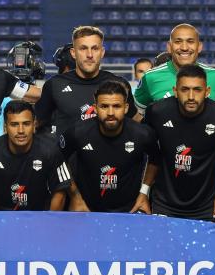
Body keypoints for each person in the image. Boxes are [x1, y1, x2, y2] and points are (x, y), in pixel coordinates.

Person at [136, 65, 215, 222]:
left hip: (206, 205)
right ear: (175, 91)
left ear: (207, 91)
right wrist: (143, 192)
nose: (191, 96)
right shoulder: (156, 112)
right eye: (185, 89)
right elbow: (152, 156)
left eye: (197, 90)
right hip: (164, 203)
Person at [59, 80, 156, 212]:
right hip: (86, 209)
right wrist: (75, 196)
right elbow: (58, 159)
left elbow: (156, 160)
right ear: (95, 108)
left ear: (126, 108)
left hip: (129, 209)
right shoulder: (77, 132)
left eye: (116, 106)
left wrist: (144, 192)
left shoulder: (142, 134)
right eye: (104, 106)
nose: (110, 112)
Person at [36, 26, 138, 136]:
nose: (89, 55)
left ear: (102, 52)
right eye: (83, 48)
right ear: (73, 53)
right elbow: (37, 124)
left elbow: (133, 124)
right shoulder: (54, 85)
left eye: (95, 48)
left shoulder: (120, 84)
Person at [0, 100, 71, 211]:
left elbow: (59, 192)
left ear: (34, 124)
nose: (21, 130)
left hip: (39, 214)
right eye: (14, 124)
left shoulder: (51, 150)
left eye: (26, 124)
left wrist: (49, 223)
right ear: (5, 126)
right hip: (0, 215)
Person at [134, 23, 215, 114]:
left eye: (190, 41)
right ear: (169, 47)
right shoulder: (150, 77)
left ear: (199, 47)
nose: (184, 48)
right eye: (178, 42)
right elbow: (137, 117)